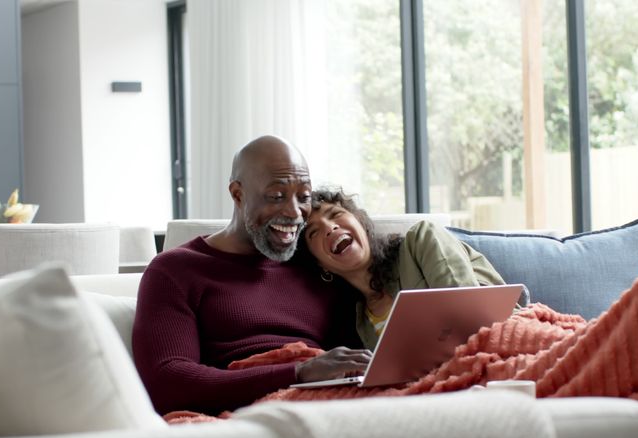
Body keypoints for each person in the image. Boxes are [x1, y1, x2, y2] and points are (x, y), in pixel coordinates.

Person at [133, 136, 370, 416]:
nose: (294, 212)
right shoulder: (174, 271)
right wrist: (298, 372)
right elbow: (167, 382)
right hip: (253, 416)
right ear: (237, 194)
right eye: (276, 196)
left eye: (304, 197)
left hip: (331, 407)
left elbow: (351, 362)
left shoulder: (317, 266)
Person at [301, 187, 514, 350]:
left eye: (335, 214)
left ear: (360, 222)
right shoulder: (358, 324)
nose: (330, 228)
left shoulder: (421, 239)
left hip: (503, 342)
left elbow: (471, 317)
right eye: (314, 232)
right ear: (321, 265)